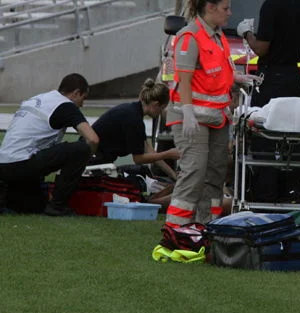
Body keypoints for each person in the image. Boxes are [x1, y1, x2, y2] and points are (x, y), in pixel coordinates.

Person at [163, 0, 257, 229]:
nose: (229, 13)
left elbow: (215, 71)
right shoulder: (190, 36)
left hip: (217, 116)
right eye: (226, 8)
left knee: (215, 173)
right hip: (192, 116)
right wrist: (187, 112)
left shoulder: (218, 36)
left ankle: (207, 225)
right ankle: (176, 229)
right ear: (211, 8)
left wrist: (236, 78)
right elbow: (183, 78)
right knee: (194, 171)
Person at [236, 0, 300, 201]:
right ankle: (290, 193)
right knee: (290, 138)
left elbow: (261, 48)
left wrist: (247, 33)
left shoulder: (271, 4)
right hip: (293, 78)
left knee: (263, 137)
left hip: (271, 78)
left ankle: (262, 197)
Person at [0, 73, 99, 216]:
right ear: (76, 93)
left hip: (5, 164)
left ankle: (9, 196)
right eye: (83, 99)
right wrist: (88, 158)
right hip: (23, 162)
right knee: (81, 149)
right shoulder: (65, 105)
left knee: (33, 207)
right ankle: (58, 206)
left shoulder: (38, 99)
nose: (82, 105)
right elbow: (93, 139)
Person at [91, 79, 179, 181]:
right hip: (95, 162)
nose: (161, 112)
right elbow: (138, 159)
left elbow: (148, 150)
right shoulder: (133, 119)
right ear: (155, 104)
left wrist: (172, 174)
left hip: (99, 160)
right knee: (139, 176)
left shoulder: (133, 111)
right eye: (162, 108)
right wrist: (167, 154)